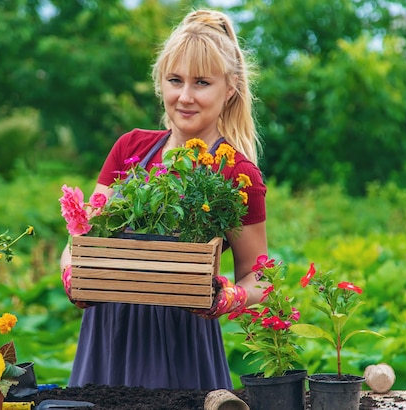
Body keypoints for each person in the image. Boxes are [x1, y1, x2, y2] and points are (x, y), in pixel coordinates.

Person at [59, 9, 268, 390]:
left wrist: (227, 296)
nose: (185, 96)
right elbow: (81, 239)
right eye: (175, 80)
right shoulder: (130, 148)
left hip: (181, 341)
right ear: (161, 83)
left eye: (202, 82)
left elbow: (259, 277)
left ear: (231, 87)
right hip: (109, 333)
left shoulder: (238, 174)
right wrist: (71, 272)